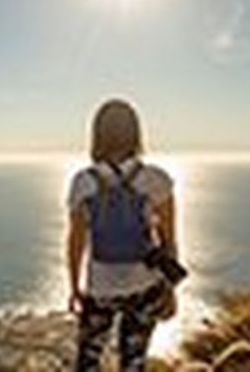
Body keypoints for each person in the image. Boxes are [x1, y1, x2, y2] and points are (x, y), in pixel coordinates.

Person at [66, 99, 178, 372]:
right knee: (134, 362)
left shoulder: (84, 182)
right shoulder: (156, 179)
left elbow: (76, 242)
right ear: (136, 134)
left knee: (88, 363)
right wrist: (169, 288)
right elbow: (169, 240)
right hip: (145, 286)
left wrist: (74, 287)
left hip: (100, 288)